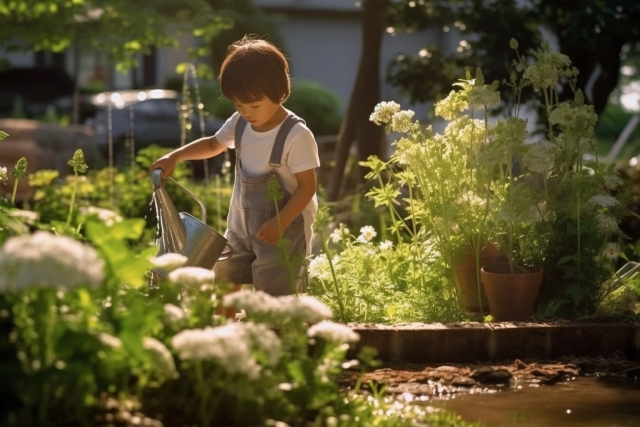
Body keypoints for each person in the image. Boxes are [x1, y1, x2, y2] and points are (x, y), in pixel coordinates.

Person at [150, 35, 320, 301]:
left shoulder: (295, 135)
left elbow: (308, 187)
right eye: (238, 104)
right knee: (225, 272)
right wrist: (176, 156)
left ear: (280, 91)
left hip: (282, 225)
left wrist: (281, 221)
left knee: (274, 282)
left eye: (254, 105)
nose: (246, 112)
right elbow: (212, 144)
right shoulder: (240, 123)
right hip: (240, 224)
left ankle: (274, 330)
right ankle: (227, 324)